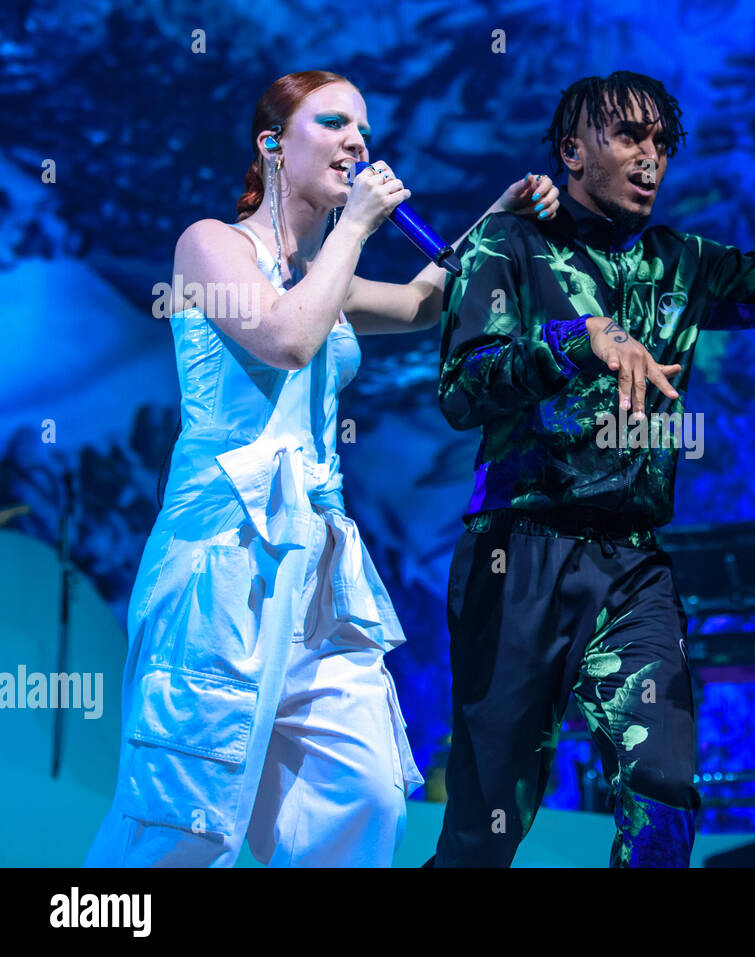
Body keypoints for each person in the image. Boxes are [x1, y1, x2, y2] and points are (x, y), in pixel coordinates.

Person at [85, 70, 557, 867]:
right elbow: (286, 339)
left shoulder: (324, 277)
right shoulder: (210, 245)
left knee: (364, 790)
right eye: (334, 122)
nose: (358, 142)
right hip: (223, 560)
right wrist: (357, 228)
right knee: (187, 817)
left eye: (365, 130)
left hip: (318, 572)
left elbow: (419, 303)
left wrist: (497, 221)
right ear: (273, 144)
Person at [431, 70, 755, 868]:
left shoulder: (684, 263)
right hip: (518, 553)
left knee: (665, 789)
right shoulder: (508, 244)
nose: (651, 157)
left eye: (662, 144)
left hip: (634, 565)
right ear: (572, 151)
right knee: (486, 822)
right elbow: (463, 389)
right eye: (630, 138)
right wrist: (578, 339)